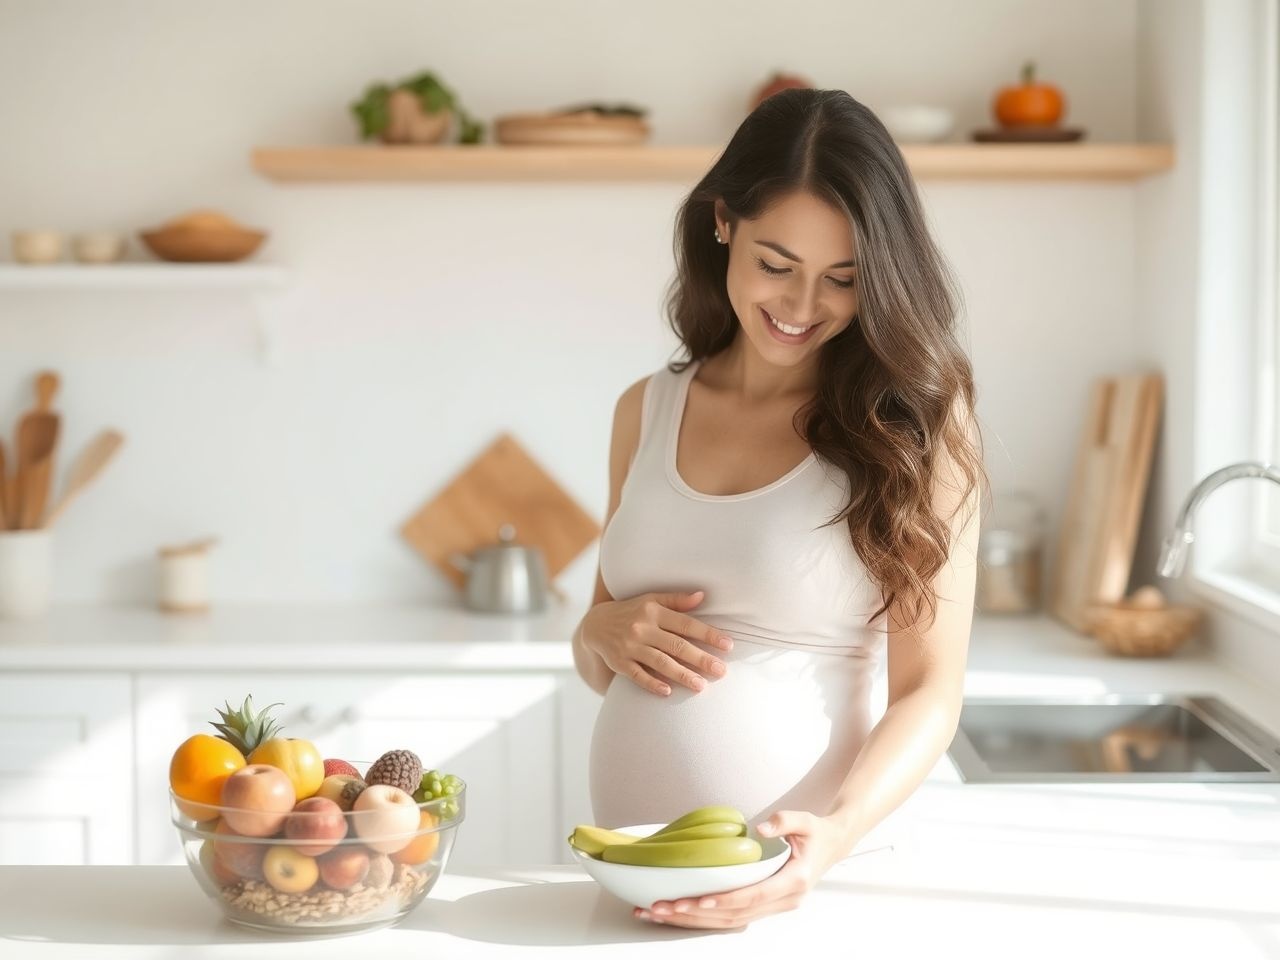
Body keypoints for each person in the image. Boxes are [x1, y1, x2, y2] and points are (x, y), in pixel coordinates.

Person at [571, 88, 988, 931]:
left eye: (843, 279)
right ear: (723, 222)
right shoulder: (646, 409)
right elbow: (601, 655)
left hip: (818, 886)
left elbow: (929, 693)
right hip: (640, 896)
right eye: (777, 265)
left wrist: (833, 838)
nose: (802, 308)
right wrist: (595, 632)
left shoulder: (917, 426)